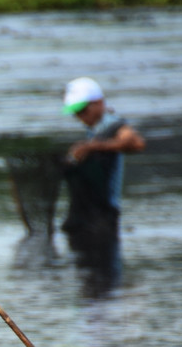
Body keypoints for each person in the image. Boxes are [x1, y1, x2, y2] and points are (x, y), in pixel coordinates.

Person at [60, 76, 145, 253]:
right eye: (76, 112)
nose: (79, 117)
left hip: (104, 216)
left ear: (98, 103)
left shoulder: (112, 123)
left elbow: (136, 143)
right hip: (86, 217)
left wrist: (92, 146)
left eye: (83, 110)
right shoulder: (95, 127)